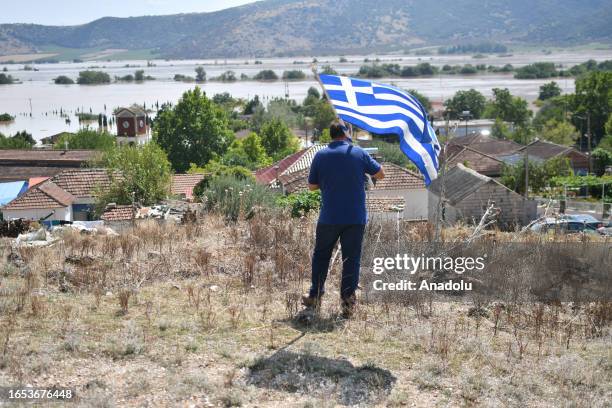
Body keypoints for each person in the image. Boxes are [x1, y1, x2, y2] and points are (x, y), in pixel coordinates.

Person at [303, 122, 385, 318]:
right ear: (346, 133)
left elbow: (312, 186)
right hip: (355, 217)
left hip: (329, 216)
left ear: (331, 135)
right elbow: (380, 174)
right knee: (351, 259)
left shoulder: (320, 155)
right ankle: (347, 303)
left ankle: (315, 295)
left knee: (321, 256)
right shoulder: (358, 153)